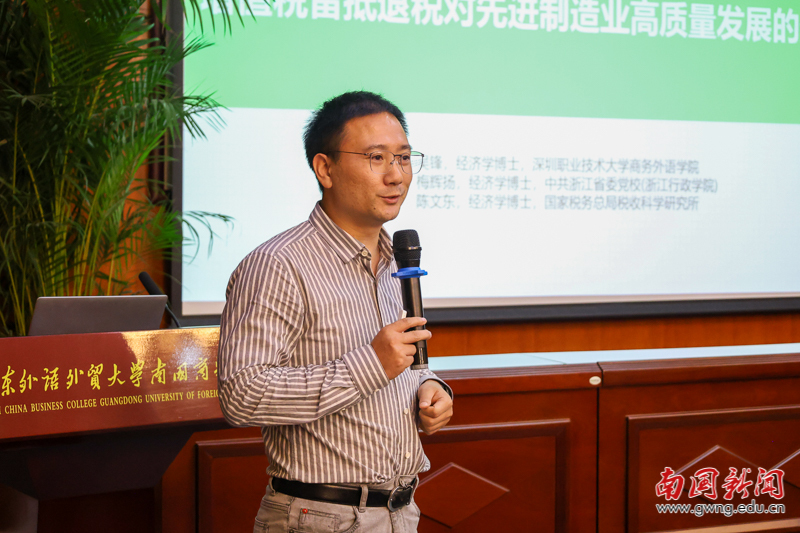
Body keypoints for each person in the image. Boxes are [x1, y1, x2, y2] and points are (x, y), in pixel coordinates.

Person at [218, 91, 454, 533]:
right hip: (320, 517)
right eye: (376, 157)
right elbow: (241, 395)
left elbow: (399, 362)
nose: (395, 175)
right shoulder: (278, 264)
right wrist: (371, 364)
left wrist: (429, 387)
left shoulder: (396, 262)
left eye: (404, 158)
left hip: (401, 512)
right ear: (325, 169)